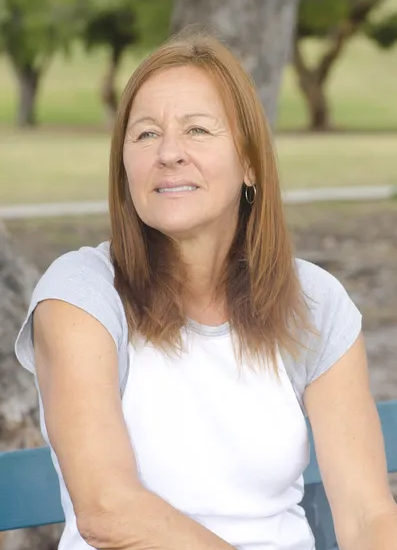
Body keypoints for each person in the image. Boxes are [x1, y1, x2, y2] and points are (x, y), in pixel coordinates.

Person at [15, 32, 397, 550]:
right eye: (146, 135)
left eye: (197, 130)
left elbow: (366, 514)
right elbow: (108, 511)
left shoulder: (313, 301)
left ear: (250, 163)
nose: (169, 153)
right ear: (124, 165)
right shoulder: (80, 294)